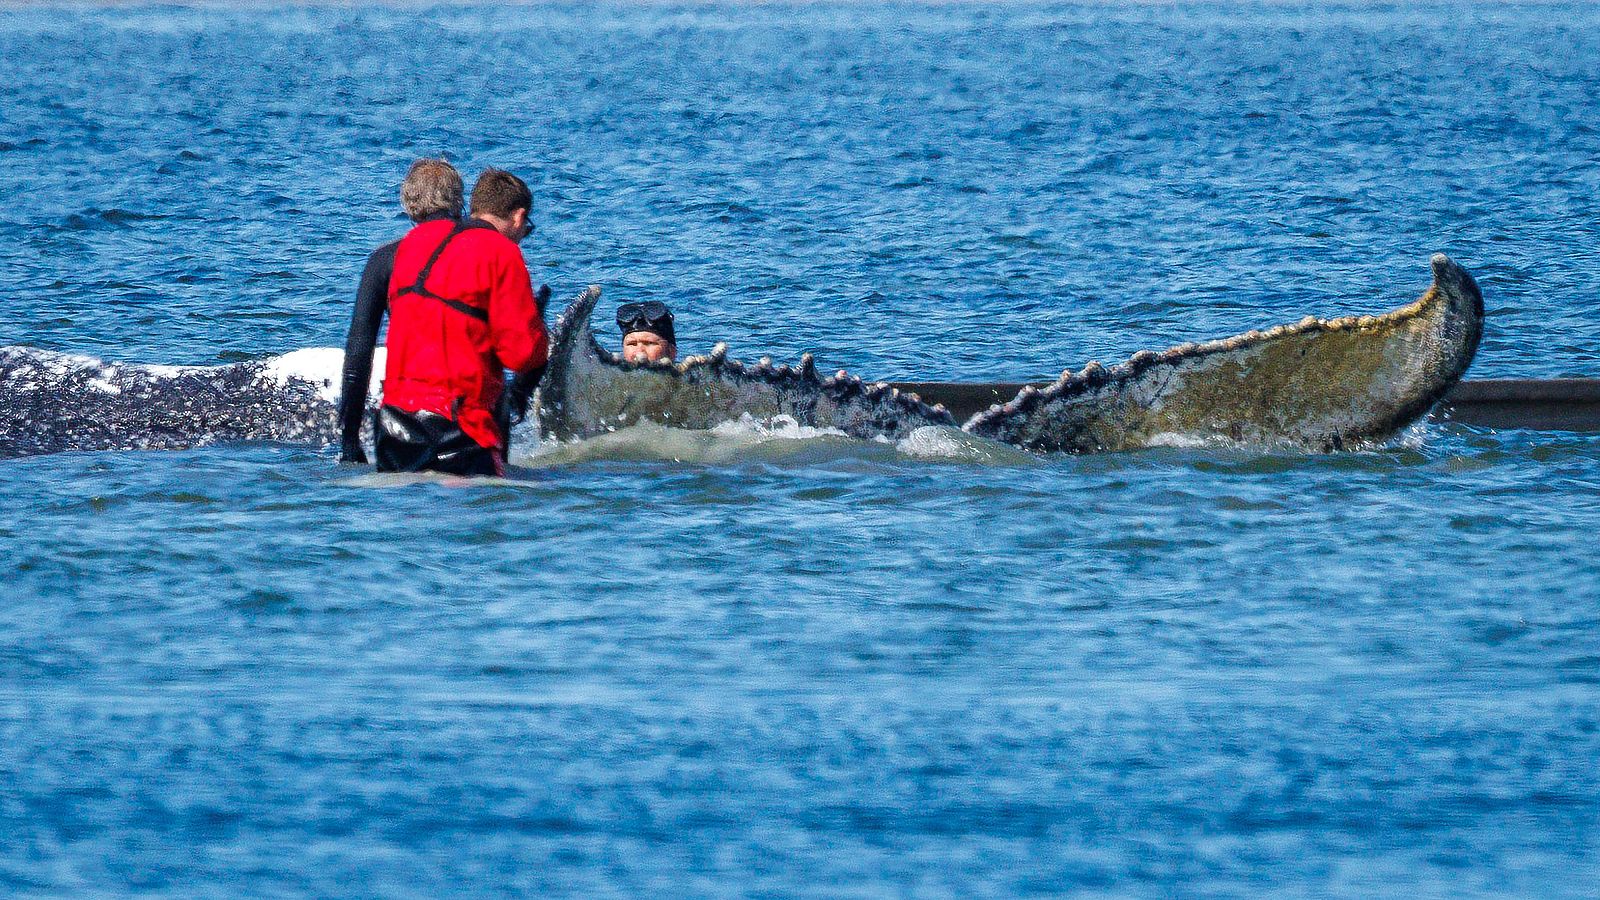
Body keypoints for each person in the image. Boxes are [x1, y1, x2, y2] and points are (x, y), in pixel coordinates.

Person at [342, 165, 550, 476]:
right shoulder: (499, 252)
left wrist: (349, 444)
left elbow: (359, 354)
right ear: (519, 218)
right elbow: (521, 355)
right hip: (459, 430)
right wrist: (537, 330)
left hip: (394, 426)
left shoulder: (401, 250)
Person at [337, 158, 463, 464]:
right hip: (464, 418)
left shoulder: (384, 260)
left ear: (409, 202)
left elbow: (358, 354)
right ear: (458, 201)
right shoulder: (482, 251)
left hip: (401, 421)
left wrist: (350, 439)